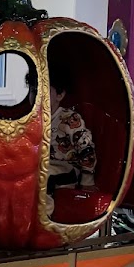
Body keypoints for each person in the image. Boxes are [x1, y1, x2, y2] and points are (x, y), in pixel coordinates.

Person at [46, 63, 97, 195]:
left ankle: (46, 208)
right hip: (45, 166)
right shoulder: (35, 120)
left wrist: (87, 180)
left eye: (44, 91)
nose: (37, 96)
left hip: (67, 169)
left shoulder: (69, 119)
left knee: (43, 178)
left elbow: (86, 148)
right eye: (33, 91)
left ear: (59, 95)